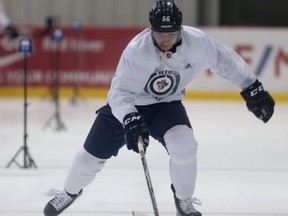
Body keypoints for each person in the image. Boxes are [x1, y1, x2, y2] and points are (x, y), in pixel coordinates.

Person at [43, 0, 275, 216]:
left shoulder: (197, 43)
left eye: (171, 34)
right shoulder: (137, 51)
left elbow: (224, 60)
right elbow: (118, 93)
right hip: (127, 107)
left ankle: (183, 200)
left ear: (180, 29)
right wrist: (130, 119)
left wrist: (252, 86)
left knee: (184, 145)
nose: (165, 40)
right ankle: (69, 192)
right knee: (88, 159)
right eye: (160, 34)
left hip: (166, 106)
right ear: (150, 29)